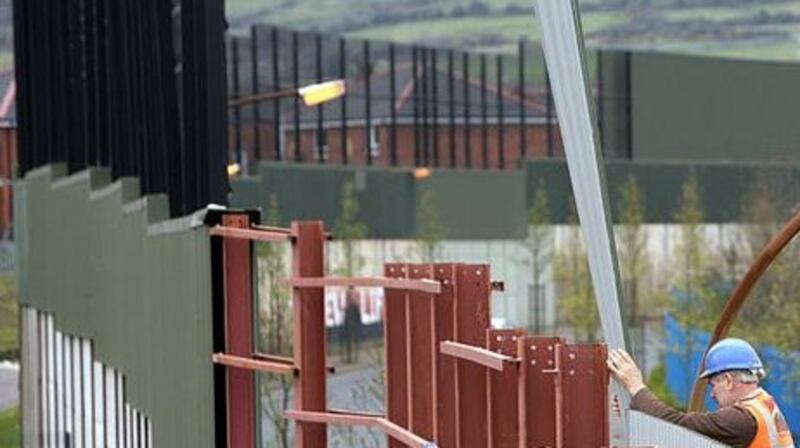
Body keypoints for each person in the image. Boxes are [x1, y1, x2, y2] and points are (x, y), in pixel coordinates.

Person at [607, 338, 794, 448]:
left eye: (713, 385)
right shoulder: (764, 405)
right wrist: (631, 407)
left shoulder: (742, 419)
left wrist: (635, 386)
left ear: (728, 381)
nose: (711, 394)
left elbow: (677, 424)